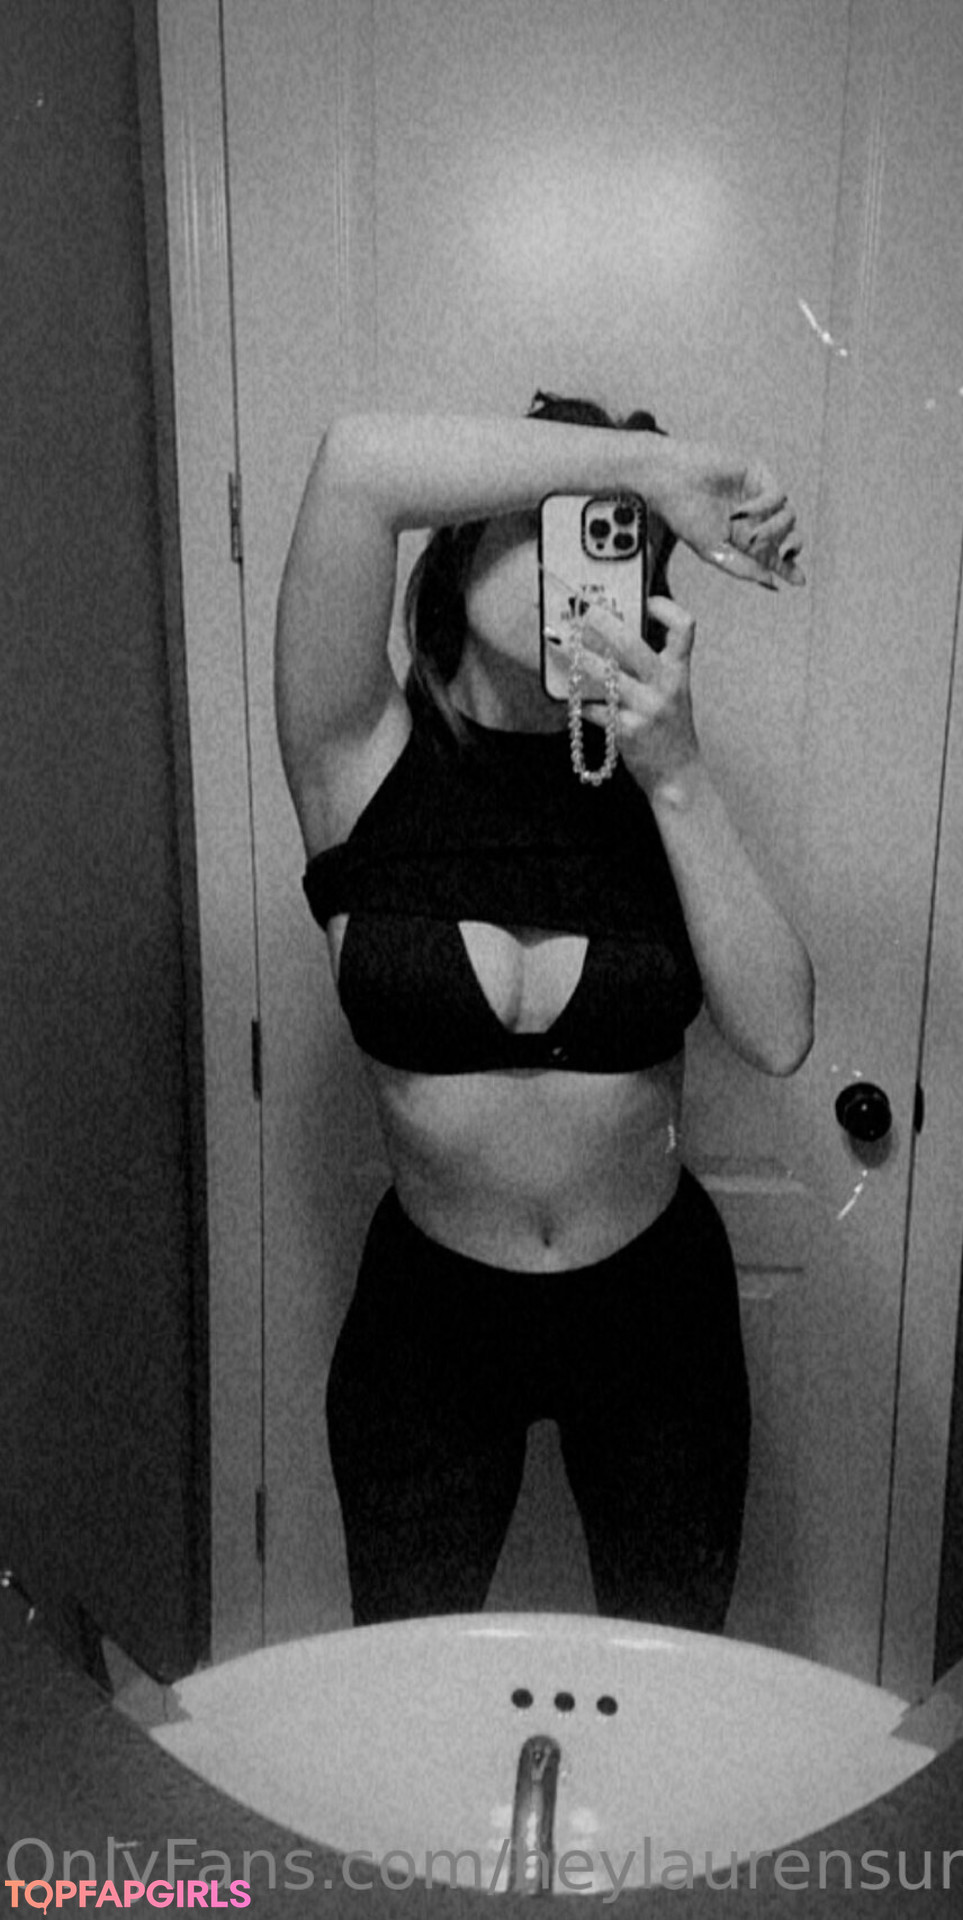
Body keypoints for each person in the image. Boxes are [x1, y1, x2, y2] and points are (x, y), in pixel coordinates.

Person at [275, 392, 813, 1634]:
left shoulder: (650, 780)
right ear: (457, 547)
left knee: (668, 1665)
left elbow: (780, 1033)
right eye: (537, 516)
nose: (569, 550)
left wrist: (678, 774)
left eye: (607, 533)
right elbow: (355, 461)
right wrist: (656, 466)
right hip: (431, 1318)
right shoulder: (357, 757)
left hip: (654, 1311)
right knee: (411, 1664)